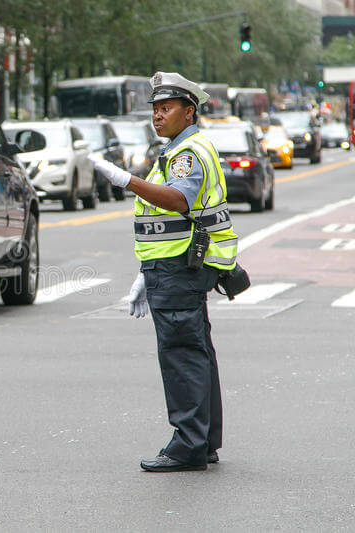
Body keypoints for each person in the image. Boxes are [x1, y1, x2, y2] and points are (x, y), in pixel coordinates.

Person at [90, 72, 238, 472]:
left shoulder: (186, 153)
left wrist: (128, 181)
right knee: (198, 353)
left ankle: (188, 445)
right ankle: (204, 440)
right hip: (174, 265)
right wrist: (145, 270)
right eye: (155, 109)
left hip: (178, 270)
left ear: (188, 112)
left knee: (182, 356)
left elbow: (177, 200)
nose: (158, 116)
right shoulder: (179, 149)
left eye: (166, 108)